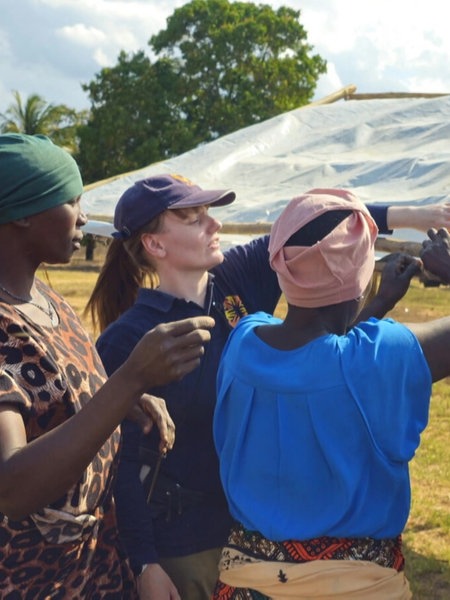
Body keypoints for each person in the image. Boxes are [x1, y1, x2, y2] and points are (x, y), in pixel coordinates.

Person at [85, 173, 448, 600]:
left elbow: (318, 226)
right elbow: (119, 466)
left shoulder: (239, 311)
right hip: (186, 549)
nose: (215, 224)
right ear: (155, 245)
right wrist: (144, 562)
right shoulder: (129, 341)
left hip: (248, 542)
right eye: (193, 218)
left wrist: (418, 216)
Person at [0, 133, 215, 598]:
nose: (83, 216)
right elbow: (12, 487)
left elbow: (60, 408)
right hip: (33, 583)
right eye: (70, 200)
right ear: (21, 214)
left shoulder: (47, 301)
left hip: (96, 571)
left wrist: (126, 400)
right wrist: (129, 380)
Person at [212, 188, 450, 599]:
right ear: (357, 276)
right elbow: (342, 362)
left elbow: (315, 357)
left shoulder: (244, 344)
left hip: (244, 586)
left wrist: (376, 304)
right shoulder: (378, 358)